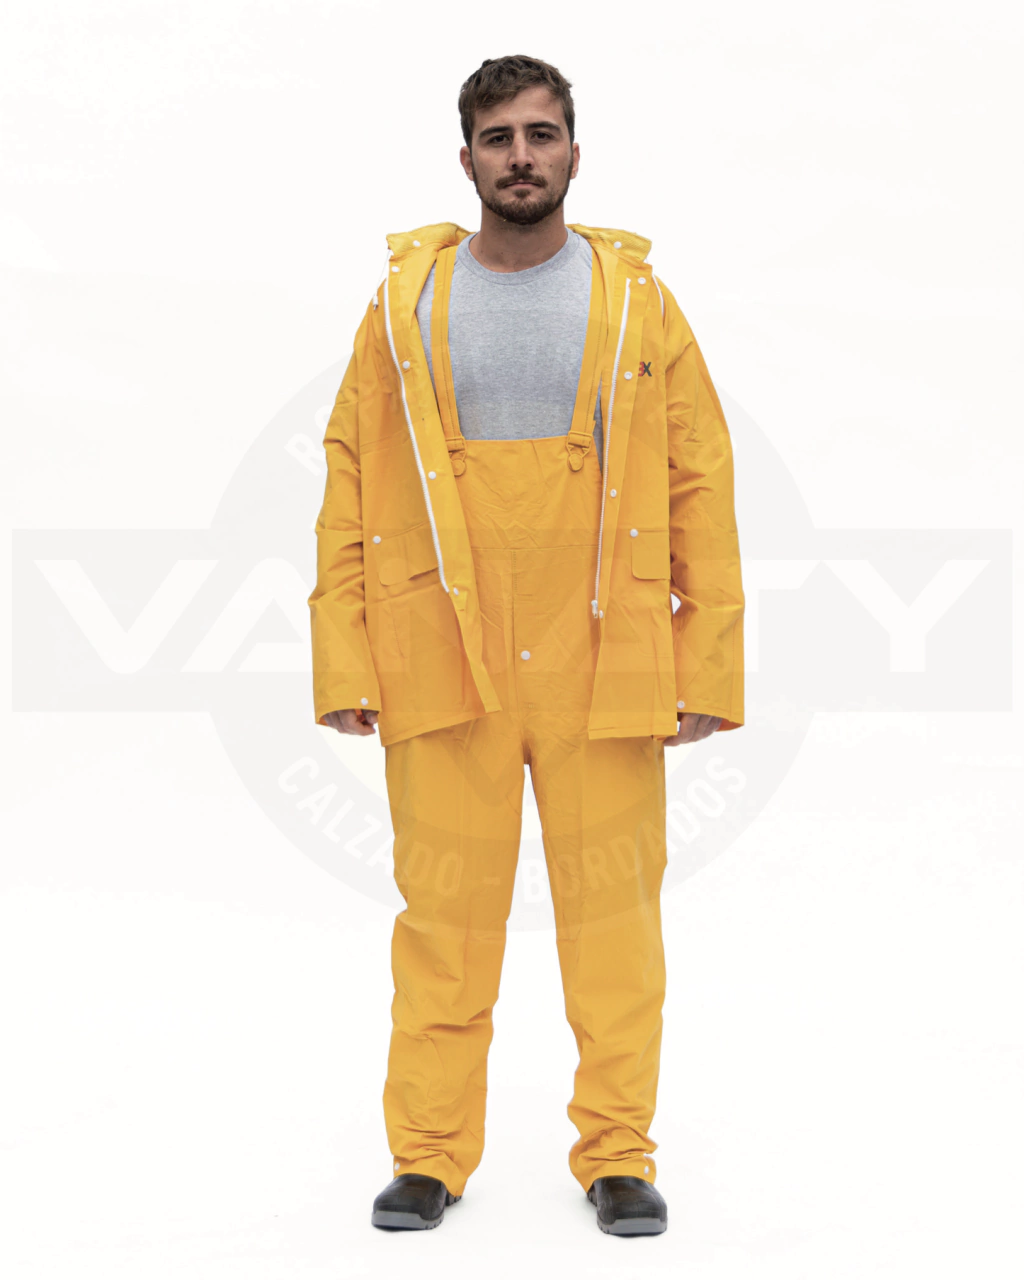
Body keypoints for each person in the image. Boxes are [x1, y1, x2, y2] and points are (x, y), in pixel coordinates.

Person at [307, 53, 745, 1236]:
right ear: (465, 159)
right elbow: (350, 477)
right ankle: (428, 1153)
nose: (519, 157)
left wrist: (705, 657)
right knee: (443, 918)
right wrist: (345, 653)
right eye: (497, 137)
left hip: (605, 645)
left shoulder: (636, 301)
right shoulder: (404, 304)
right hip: (440, 644)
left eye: (539, 134)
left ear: (573, 153)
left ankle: (618, 1152)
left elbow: (699, 477)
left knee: (615, 924)